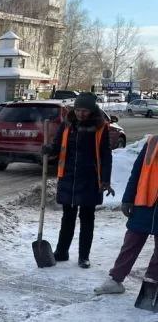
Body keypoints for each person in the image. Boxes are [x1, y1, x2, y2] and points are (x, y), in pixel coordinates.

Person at [43, 92, 114, 269]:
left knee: (87, 218)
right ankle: (62, 251)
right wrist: (49, 149)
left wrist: (105, 179)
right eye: (78, 110)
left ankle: (84, 256)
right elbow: (58, 145)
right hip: (68, 176)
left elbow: (106, 154)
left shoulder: (100, 127)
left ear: (92, 110)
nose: (81, 114)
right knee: (67, 217)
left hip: (90, 178)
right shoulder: (68, 124)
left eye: (85, 110)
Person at [95, 135, 158, 295]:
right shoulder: (152, 142)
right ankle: (115, 280)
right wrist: (128, 198)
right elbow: (137, 172)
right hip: (144, 203)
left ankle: (152, 285)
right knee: (131, 242)